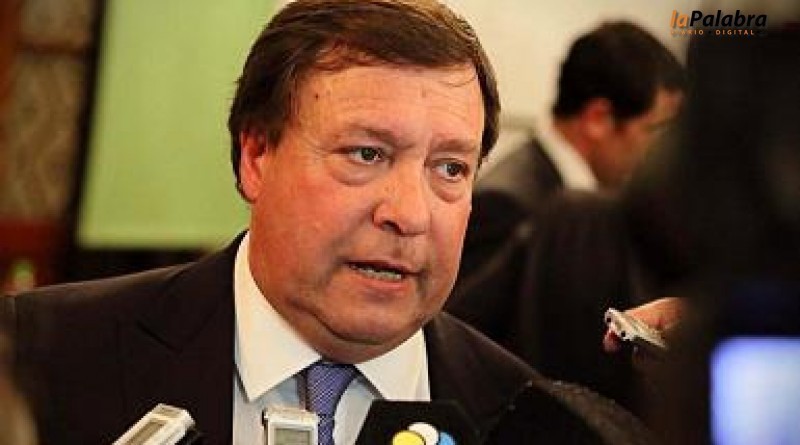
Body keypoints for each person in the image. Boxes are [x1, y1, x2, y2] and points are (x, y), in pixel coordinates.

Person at [0, 1, 654, 444]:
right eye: (366, 154)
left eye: (450, 168)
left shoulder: (527, 420)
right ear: (257, 157)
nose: (409, 214)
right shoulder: (38, 354)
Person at [446, 21, 686, 412]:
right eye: (656, 130)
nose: (662, 152)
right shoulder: (509, 202)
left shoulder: (577, 203)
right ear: (598, 119)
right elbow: (462, 345)